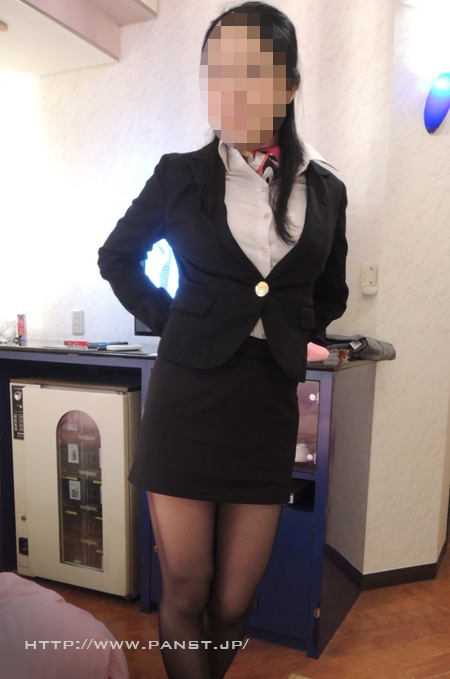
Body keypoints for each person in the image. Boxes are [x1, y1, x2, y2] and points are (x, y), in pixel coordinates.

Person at [98, 3, 348, 678]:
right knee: (185, 589)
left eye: (252, 73)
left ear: (289, 85)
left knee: (235, 601)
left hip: (266, 404)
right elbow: (117, 257)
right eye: (217, 73)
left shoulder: (326, 189)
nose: (230, 91)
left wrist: (296, 336)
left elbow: (330, 292)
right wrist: (177, 320)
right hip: (187, 402)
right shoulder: (180, 174)